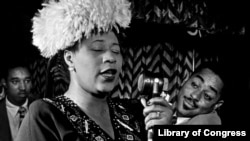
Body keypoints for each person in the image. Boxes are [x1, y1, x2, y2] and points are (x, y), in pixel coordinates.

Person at [16, 0, 171, 141]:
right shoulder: (45, 114)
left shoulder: (138, 111)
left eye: (116, 51)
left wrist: (164, 132)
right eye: (97, 49)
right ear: (70, 59)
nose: (111, 57)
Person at [0, 60, 33, 141]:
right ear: (4, 83)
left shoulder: (42, 108)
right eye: (15, 81)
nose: (23, 87)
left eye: (27, 81)